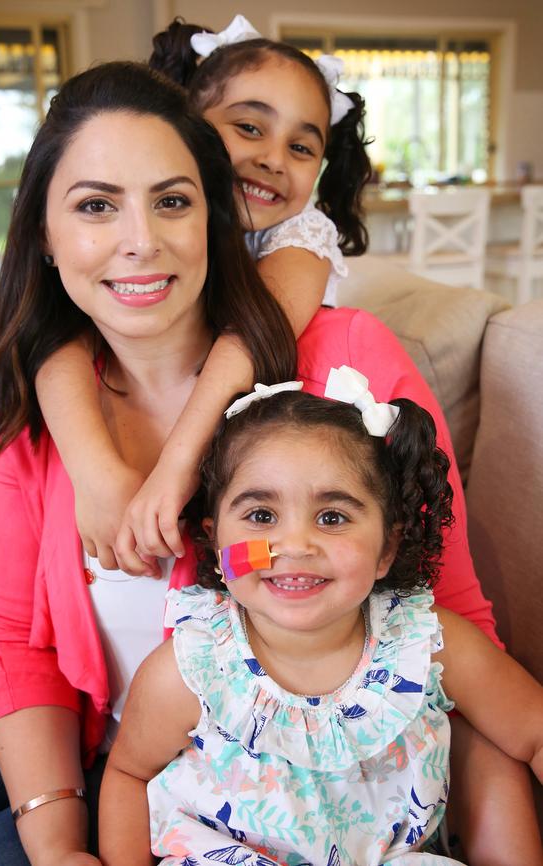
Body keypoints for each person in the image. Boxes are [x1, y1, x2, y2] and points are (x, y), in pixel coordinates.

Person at [0, 61, 296, 866]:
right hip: (59, 701)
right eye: (96, 206)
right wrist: (53, 840)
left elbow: (439, 611)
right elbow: (15, 636)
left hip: (210, 762)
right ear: (45, 234)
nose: (140, 241)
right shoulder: (37, 398)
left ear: (212, 218)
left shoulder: (324, 370)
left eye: (172, 201)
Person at [99, 378, 543, 865]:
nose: (295, 546)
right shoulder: (190, 670)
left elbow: (532, 729)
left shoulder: (426, 642)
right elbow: (127, 775)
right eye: (262, 515)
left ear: (387, 549)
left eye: (331, 518)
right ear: (216, 542)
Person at [34, 14, 372, 573]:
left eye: (302, 147)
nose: (273, 159)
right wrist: (94, 472)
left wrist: (176, 466)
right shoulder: (141, 250)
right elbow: (56, 338)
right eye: (248, 128)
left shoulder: (299, 236)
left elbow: (250, 335)